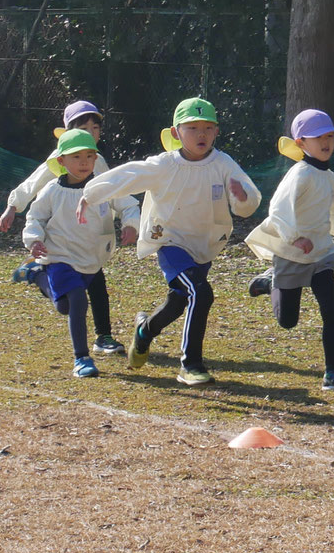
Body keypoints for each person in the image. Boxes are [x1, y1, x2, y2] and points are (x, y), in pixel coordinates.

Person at [79, 97, 257, 385]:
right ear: (175, 133)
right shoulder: (165, 165)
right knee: (201, 293)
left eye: (208, 128)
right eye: (192, 128)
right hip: (170, 243)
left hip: (205, 246)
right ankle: (191, 365)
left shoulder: (224, 164)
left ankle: (144, 331)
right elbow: (128, 175)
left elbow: (248, 203)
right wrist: (90, 194)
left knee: (179, 302)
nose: (201, 134)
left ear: (217, 132)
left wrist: (242, 196)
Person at [246, 108, 334, 392]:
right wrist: (295, 238)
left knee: (331, 310)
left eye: (329, 136)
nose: (326, 142)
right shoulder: (299, 175)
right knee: (288, 321)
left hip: (322, 255)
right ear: (301, 143)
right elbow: (277, 211)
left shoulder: (330, 178)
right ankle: (270, 280)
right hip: (291, 254)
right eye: (318, 138)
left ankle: (331, 374)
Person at [0, 100, 122, 353]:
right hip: (64, 242)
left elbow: (114, 191)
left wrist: (124, 217)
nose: (90, 133)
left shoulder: (97, 160)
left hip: (92, 238)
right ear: (67, 133)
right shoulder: (60, 160)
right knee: (80, 294)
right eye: (83, 127)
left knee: (96, 285)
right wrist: (13, 206)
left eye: (95, 127)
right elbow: (34, 183)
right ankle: (38, 273)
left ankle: (103, 336)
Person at [19, 129, 138, 378]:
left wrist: (130, 225)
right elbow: (35, 217)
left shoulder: (104, 187)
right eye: (76, 157)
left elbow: (128, 204)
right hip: (59, 256)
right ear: (61, 161)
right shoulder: (52, 190)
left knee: (65, 307)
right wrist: (34, 240)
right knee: (78, 300)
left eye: (89, 155)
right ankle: (81, 358)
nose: (84, 162)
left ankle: (35, 275)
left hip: (91, 259)